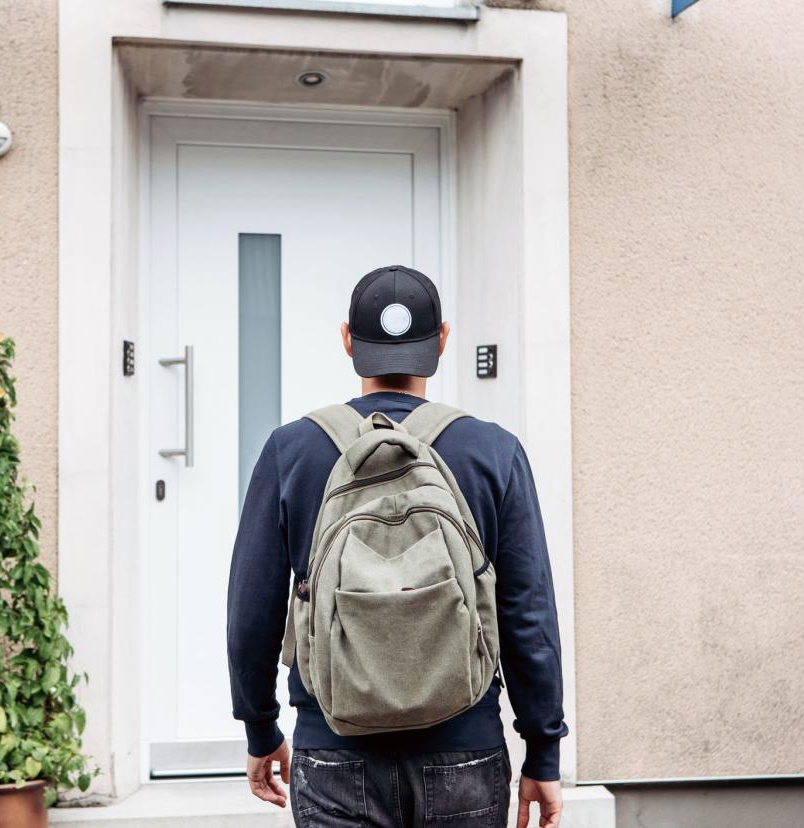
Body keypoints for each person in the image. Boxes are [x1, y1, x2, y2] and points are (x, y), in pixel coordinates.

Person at [227, 265, 567, 828]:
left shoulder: (292, 451)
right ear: (442, 340)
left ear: (346, 341)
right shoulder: (494, 451)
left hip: (333, 750)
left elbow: (251, 609)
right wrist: (543, 751)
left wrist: (260, 727)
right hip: (465, 750)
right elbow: (528, 614)